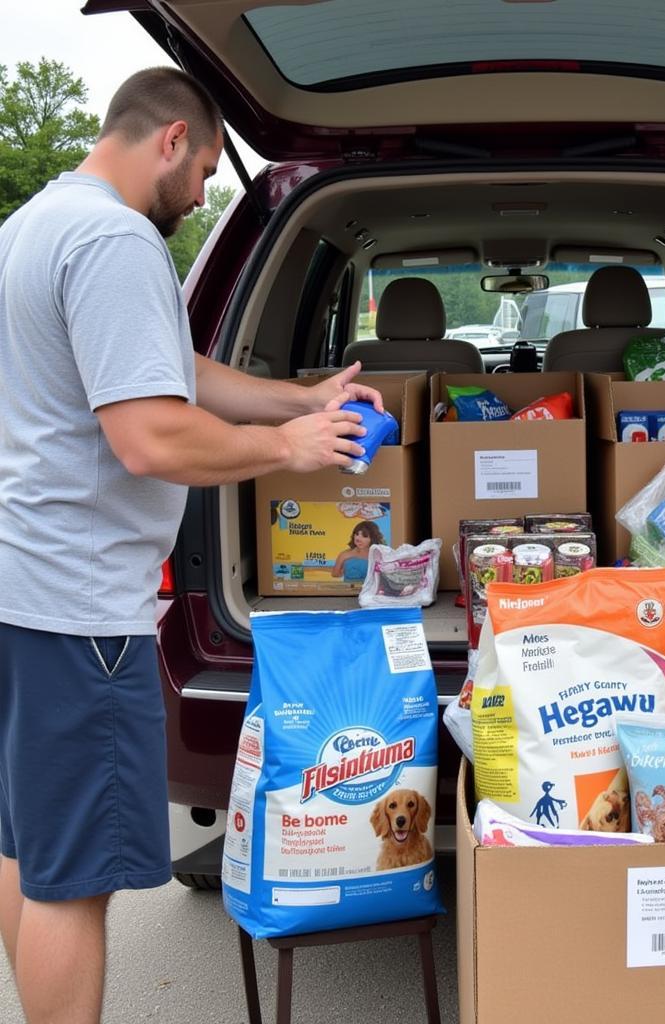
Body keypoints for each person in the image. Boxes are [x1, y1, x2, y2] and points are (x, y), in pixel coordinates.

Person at [0, 67, 384, 1024]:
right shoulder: (116, 239)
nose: (205, 191)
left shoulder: (34, 225)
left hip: (22, 591)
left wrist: (301, 397)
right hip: (79, 608)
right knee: (71, 883)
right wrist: (288, 448)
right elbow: (151, 433)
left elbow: (172, 368)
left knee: (28, 848)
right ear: (171, 138)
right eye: (207, 169)